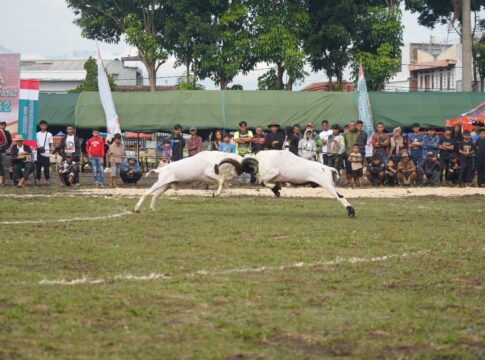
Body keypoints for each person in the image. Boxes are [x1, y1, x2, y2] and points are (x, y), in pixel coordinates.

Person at [35, 120, 53, 185]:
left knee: (46, 167)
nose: (43, 127)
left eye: (45, 125)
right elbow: (35, 143)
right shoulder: (36, 134)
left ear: (47, 126)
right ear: (40, 126)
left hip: (46, 152)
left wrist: (50, 151)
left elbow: (51, 143)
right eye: (42, 125)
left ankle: (47, 179)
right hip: (39, 152)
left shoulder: (49, 134)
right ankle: (38, 179)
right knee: (38, 167)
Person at [0, 121, 12, 186]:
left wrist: (7, 147)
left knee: (3, 165)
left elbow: (9, 141)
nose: (3, 126)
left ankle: (3, 181)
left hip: (3, 151)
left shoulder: (6, 132)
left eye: (4, 125)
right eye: (1, 125)